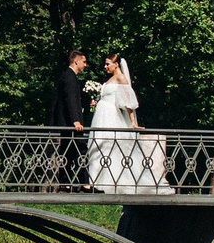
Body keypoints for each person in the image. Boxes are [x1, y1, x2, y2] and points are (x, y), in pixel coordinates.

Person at [88, 55, 159, 191]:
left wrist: (132, 121)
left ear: (116, 64)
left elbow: (128, 102)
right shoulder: (110, 79)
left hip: (111, 115)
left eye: (108, 64)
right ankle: (95, 181)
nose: (105, 66)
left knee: (110, 146)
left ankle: (111, 182)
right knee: (98, 145)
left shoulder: (121, 78)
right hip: (101, 115)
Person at [45, 49, 89, 189]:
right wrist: (76, 120)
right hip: (70, 124)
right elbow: (70, 99)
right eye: (84, 62)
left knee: (67, 152)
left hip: (66, 123)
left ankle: (65, 183)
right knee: (81, 150)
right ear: (76, 61)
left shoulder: (67, 76)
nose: (85, 65)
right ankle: (84, 184)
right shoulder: (69, 77)